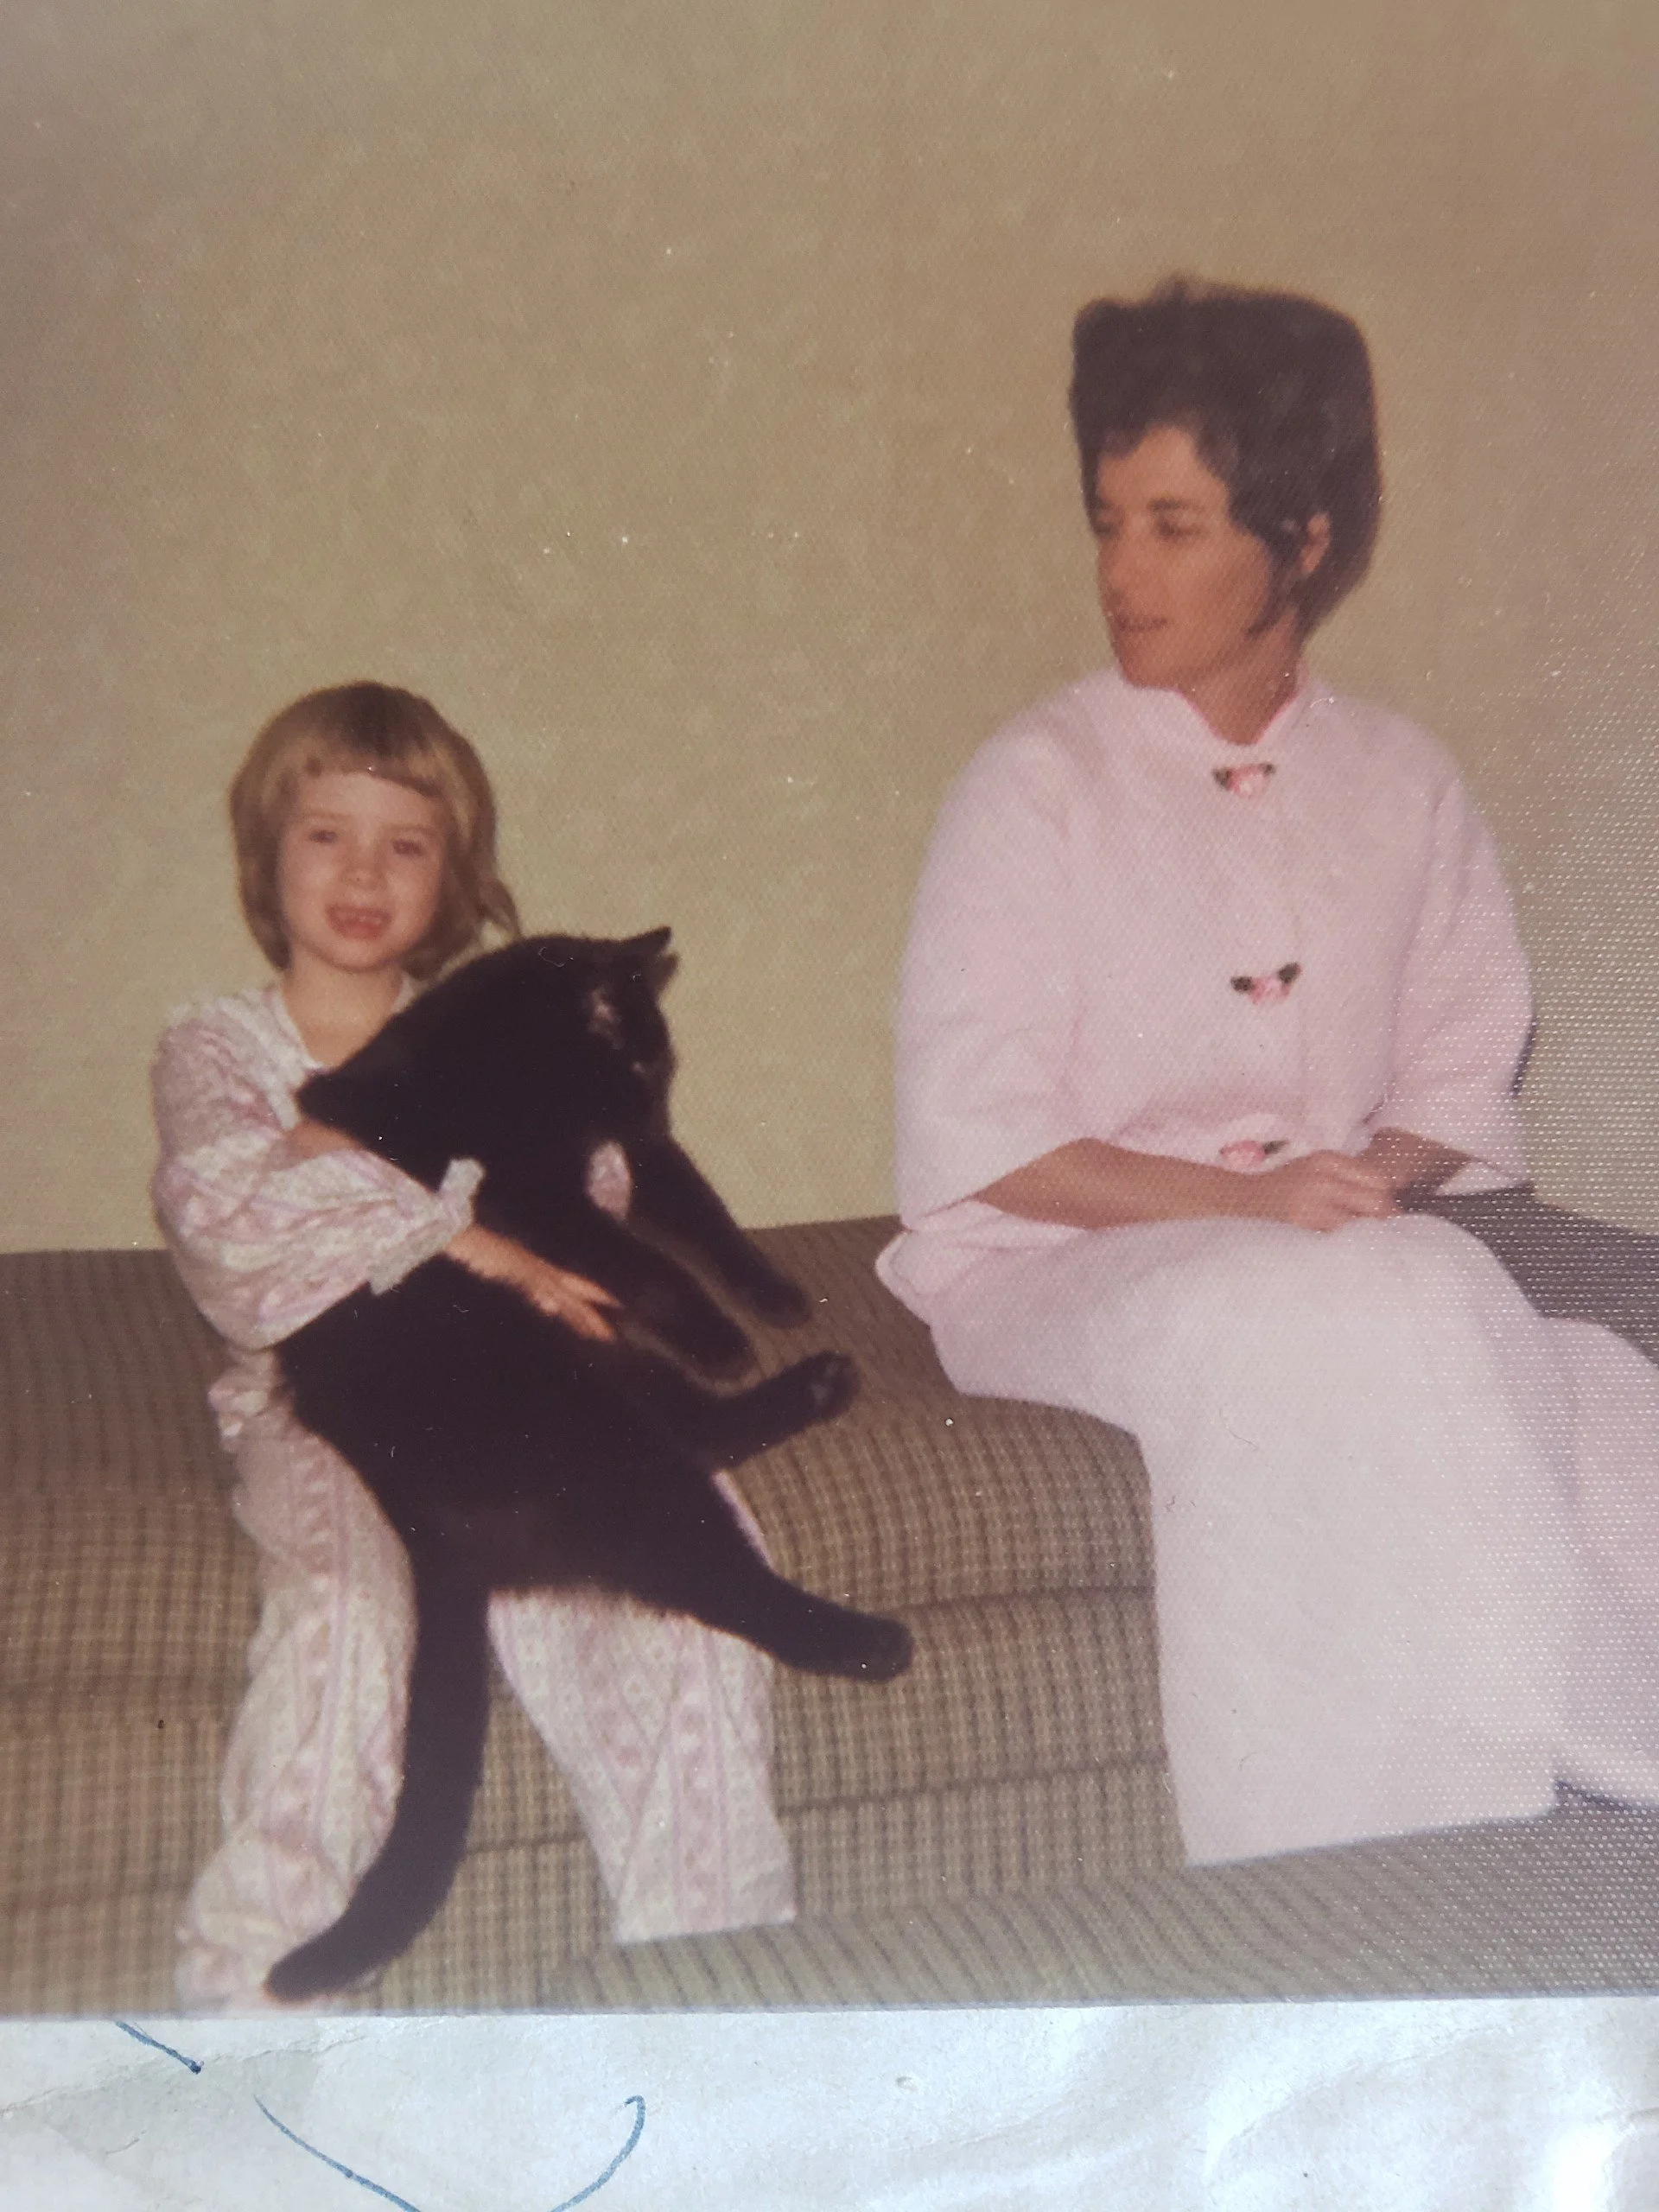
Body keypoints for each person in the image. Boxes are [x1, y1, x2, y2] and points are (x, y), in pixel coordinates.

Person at [879, 280, 1659, 1866]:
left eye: (1175, 526)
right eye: (1108, 520)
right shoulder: (1035, 785)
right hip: (1052, 1261)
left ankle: (1502, 1805)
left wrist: (1374, 1174)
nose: (1119, 572)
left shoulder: (1404, 781)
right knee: (1370, 1299)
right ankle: (1371, 1835)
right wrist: (1252, 1204)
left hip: (1323, 1249)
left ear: (1301, 541)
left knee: (1533, 1342)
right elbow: (985, 1145)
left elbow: (1456, 1068)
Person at [153, 681, 794, 2009]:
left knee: (694, 1597)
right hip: (331, 1400)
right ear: (269, 855)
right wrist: (475, 1236)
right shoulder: (218, 1048)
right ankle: (256, 2018)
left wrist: (387, 1177)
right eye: (329, 835)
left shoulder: (504, 1035)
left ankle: (716, 2004)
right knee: (343, 1616)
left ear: (455, 882)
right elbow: (233, 1220)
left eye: (408, 844)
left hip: (518, 1399)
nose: (366, 874)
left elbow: (595, 1205)